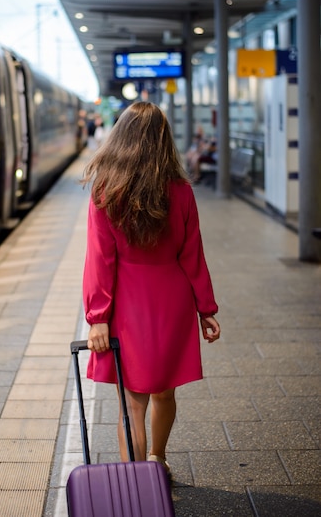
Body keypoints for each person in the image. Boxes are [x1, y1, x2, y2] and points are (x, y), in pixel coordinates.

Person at [81, 101, 220, 477]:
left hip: (128, 303)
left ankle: (137, 482)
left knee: (132, 403)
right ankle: (157, 458)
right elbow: (193, 255)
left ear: (120, 138)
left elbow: (100, 260)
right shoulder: (181, 192)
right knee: (165, 391)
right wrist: (205, 308)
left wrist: (97, 318)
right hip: (172, 299)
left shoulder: (106, 191)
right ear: (163, 140)